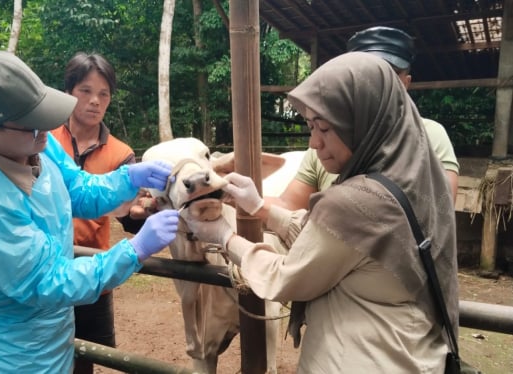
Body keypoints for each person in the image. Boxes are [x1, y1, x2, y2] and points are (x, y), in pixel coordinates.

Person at [185, 52, 458, 373]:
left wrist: (224, 237)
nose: (313, 142)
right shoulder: (416, 178)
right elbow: (340, 242)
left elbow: (286, 276)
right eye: (310, 126)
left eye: (325, 128)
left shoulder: (354, 201)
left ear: (363, 123)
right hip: (415, 356)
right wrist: (259, 207)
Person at [0, 51, 179, 373]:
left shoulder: (35, 143)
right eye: (33, 127)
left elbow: (76, 188)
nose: (44, 133)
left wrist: (127, 178)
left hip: (53, 337)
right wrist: (133, 251)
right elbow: (50, 282)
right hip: (12, 356)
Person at [269, 26, 460, 210]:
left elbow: (440, 213)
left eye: (388, 74)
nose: (375, 84)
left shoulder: (430, 135)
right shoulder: (323, 139)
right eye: (365, 75)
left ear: (406, 83)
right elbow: (290, 205)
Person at [49, 52, 144, 373]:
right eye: (85, 91)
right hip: (47, 268)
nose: (95, 101)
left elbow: (129, 218)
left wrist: (146, 211)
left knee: (89, 356)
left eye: (103, 94)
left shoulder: (121, 154)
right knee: (48, 352)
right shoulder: (44, 140)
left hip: (94, 275)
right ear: (68, 92)